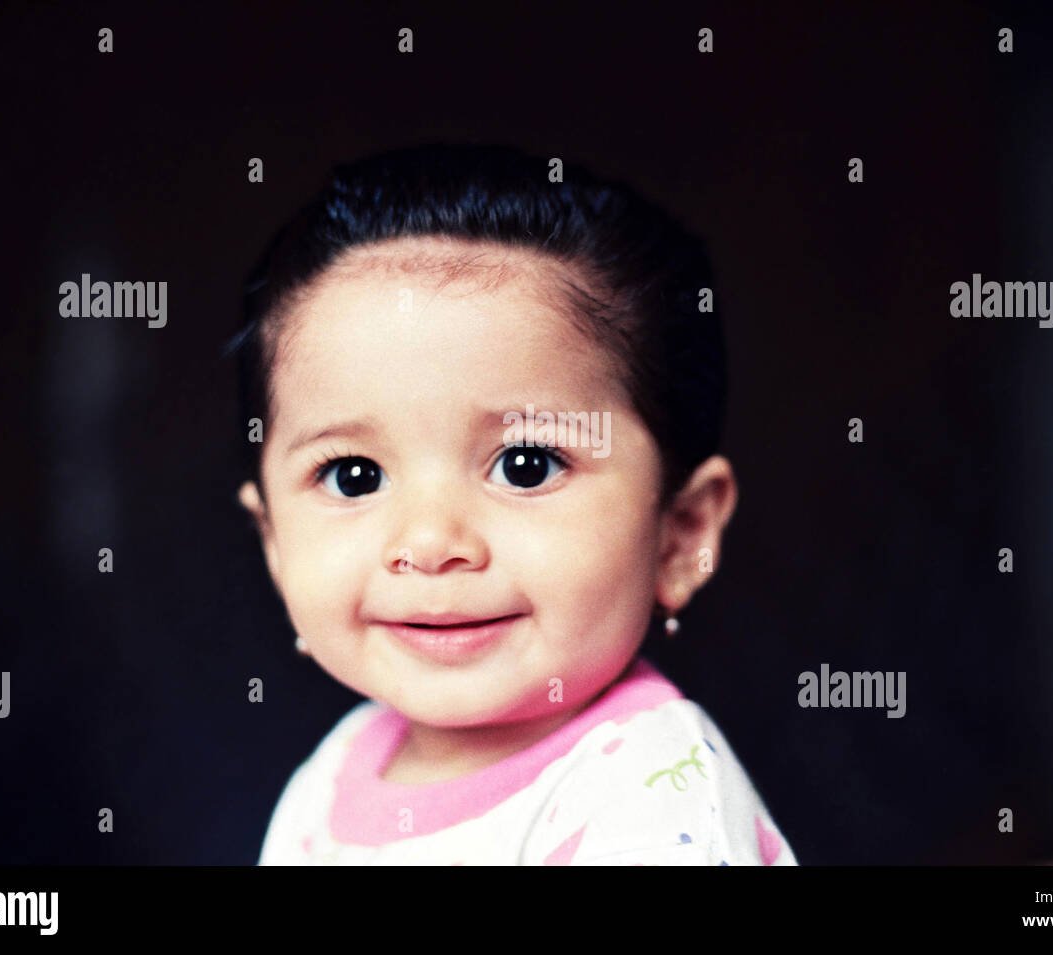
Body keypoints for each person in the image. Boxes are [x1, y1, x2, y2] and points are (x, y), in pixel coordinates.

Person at [231, 143, 796, 865]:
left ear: (681, 534)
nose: (431, 542)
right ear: (273, 540)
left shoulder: (649, 795)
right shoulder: (333, 774)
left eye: (526, 466)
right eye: (353, 475)